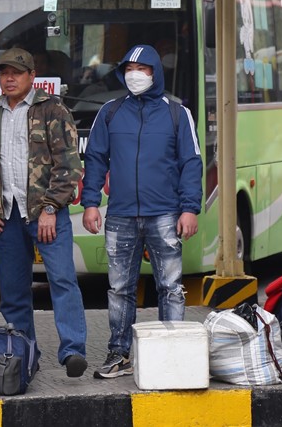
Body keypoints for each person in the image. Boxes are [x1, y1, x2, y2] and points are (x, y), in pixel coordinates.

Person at [81, 44, 203, 379]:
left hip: (165, 213)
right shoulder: (109, 112)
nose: (135, 74)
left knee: (171, 286)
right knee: (119, 288)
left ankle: (172, 352)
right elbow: (94, 160)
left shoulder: (178, 114)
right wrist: (90, 202)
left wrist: (189, 209)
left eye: (143, 68)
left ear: (155, 72)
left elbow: (191, 164)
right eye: (129, 68)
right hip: (119, 215)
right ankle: (119, 354)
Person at [0, 47, 89, 378]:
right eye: (3, 73)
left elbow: (69, 165)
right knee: (12, 292)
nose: (8, 78)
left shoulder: (52, 109)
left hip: (46, 213)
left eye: (16, 73)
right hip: (7, 214)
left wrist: (51, 208)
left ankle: (73, 351)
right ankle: (24, 355)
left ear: (31, 76)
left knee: (63, 280)